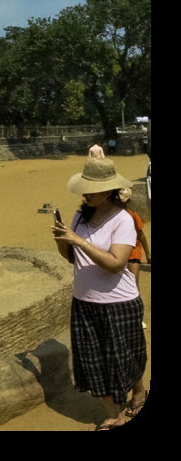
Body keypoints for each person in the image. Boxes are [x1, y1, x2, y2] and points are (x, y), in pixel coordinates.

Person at [51, 145, 145, 429]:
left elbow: (116, 264)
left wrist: (78, 241)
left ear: (108, 191)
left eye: (92, 190)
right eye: (85, 189)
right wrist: (63, 240)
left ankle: (139, 392)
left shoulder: (123, 220)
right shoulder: (80, 216)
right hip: (84, 301)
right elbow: (72, 258)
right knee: (92, 361)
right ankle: (114, 414)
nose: (86, 194)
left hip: (119, 304)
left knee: (123, 359)